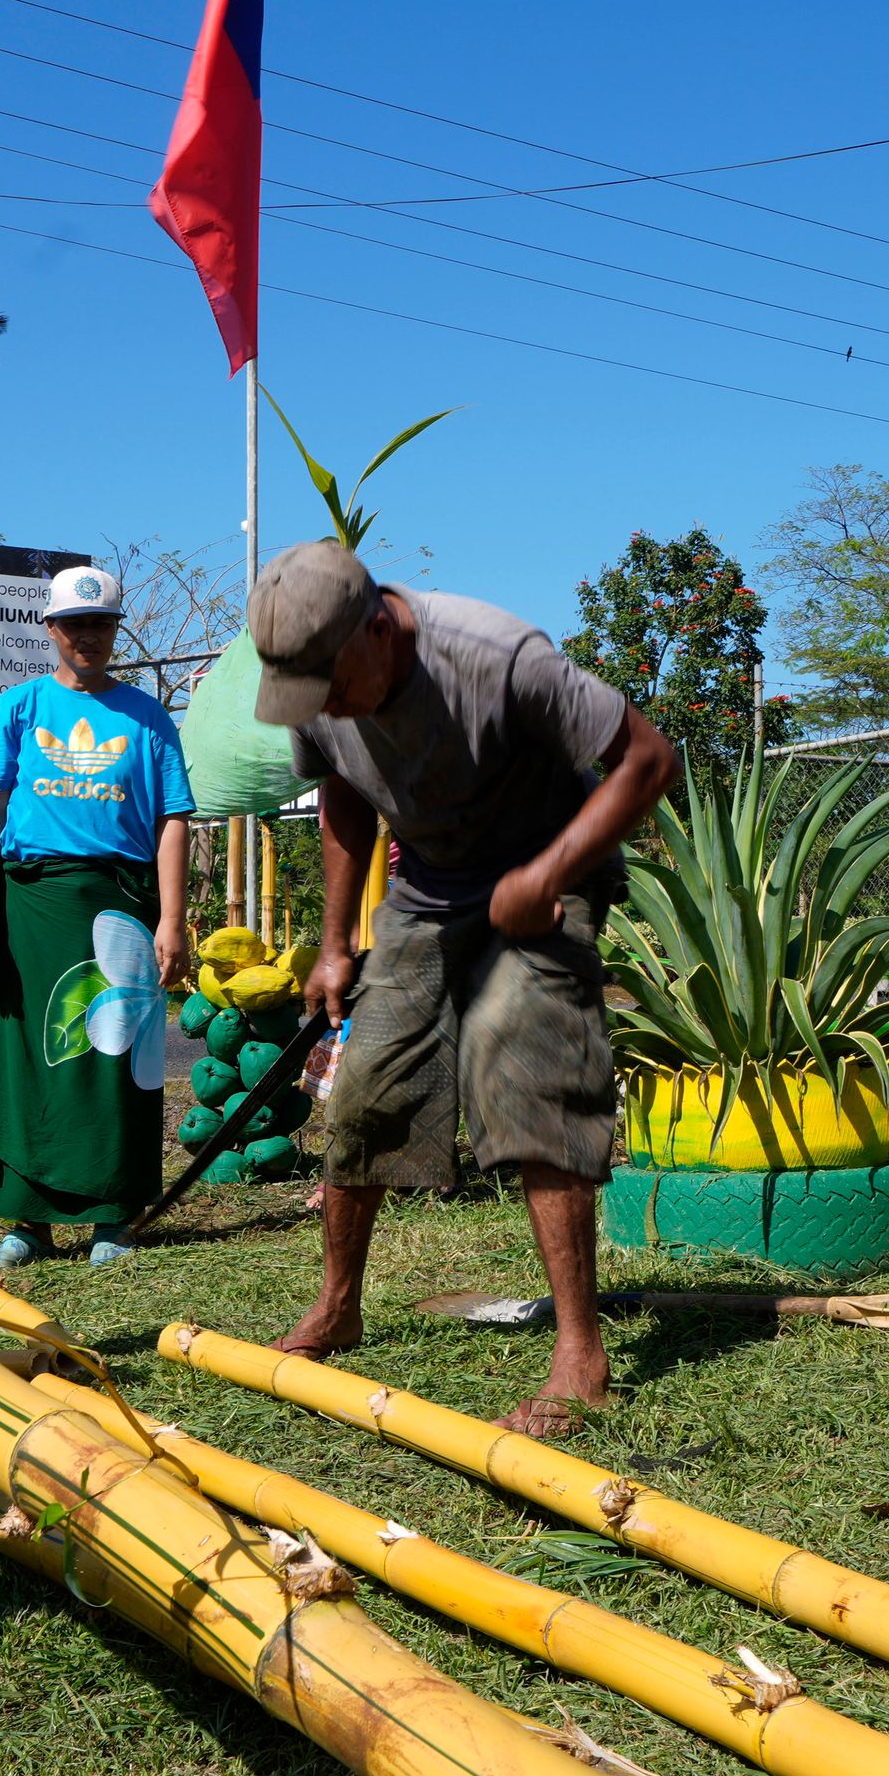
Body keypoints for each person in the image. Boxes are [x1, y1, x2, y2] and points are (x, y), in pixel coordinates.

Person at [252, 541, 680, 1435]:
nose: (322, 707)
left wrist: (554, 869)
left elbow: (647, 760)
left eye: (331, 684)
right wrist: (335, 943)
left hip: (540, 878)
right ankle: (339, 1305)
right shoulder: (312, 675)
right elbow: (342, 798)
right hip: (427, 889)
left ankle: (581, 1353)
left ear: (379, 627)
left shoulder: (494, 657)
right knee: (366, 1092)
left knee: (526, 1078)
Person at [0, 560, 195, 1267]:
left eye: (101, 623)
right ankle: (24, 1224)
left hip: (121, 902)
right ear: (50, 629)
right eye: (73, 624)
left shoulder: (147, 717)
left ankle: (113, 1218)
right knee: (27, 1056)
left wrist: (173, 919)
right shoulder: (18, 709)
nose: (87, 636)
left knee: (113, 1054)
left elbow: (174, 821)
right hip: (30, 905)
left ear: (115, 631)